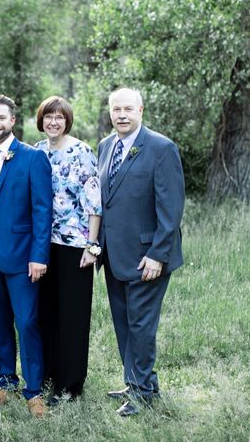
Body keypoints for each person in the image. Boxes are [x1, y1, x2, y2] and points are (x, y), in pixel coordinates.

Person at [97, 88, 185, 416]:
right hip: (114, 255)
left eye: (128, 109)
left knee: (142, 326)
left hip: (148, 256)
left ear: (141, 110)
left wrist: (158, 254)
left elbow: (171, 208)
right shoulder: (106, 146)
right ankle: (137, 381)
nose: (121, 115)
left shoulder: (161, 148)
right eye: (116, 109)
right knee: (124, 323)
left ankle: (142, 393)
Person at [0, 94, 53, 418]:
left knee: (27, 321)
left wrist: (39, 255)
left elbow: (43, 211)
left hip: (22, 255)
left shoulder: (32, 158)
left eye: (0, 118)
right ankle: (5, 383)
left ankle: (34, 391)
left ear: (12, 121)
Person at [34, 96, 102, 406]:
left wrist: (92, 245)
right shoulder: (37, 151)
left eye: (59, 117)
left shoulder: (82, 151)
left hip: (75, 246)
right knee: (47, 313)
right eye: (48, 117)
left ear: (67, 121)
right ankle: (50, 374)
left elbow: (94, 203)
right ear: (41, 120)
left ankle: (70, 384)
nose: (53, 122)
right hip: (43, 245)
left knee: (72, 316)